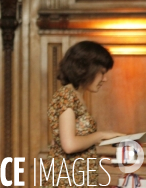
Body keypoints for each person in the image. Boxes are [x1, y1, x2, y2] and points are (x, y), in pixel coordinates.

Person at [47, 41, 124, 187]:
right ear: (85, 68)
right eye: (102, 72)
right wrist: (101, 135)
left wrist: (102, 160)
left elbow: (57, 145)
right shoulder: (67, 96)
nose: (105, 79)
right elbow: (69, 146)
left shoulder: (74, 96)